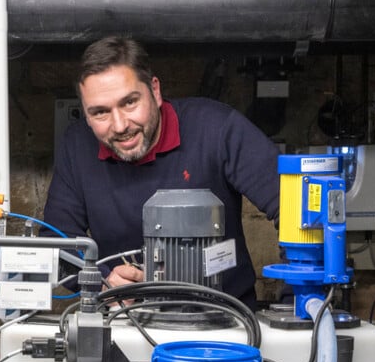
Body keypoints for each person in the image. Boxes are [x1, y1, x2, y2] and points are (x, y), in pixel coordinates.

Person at [42, 37, 280, 309]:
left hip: (228, 325)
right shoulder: (77, 145)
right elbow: (56, 241)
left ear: (154, 90)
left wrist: (296, 301)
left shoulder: (217, 128)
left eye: (130, 103)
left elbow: (296, 205)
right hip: (127, 321)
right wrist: (102, 281)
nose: (120, 125)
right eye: (100, 113)